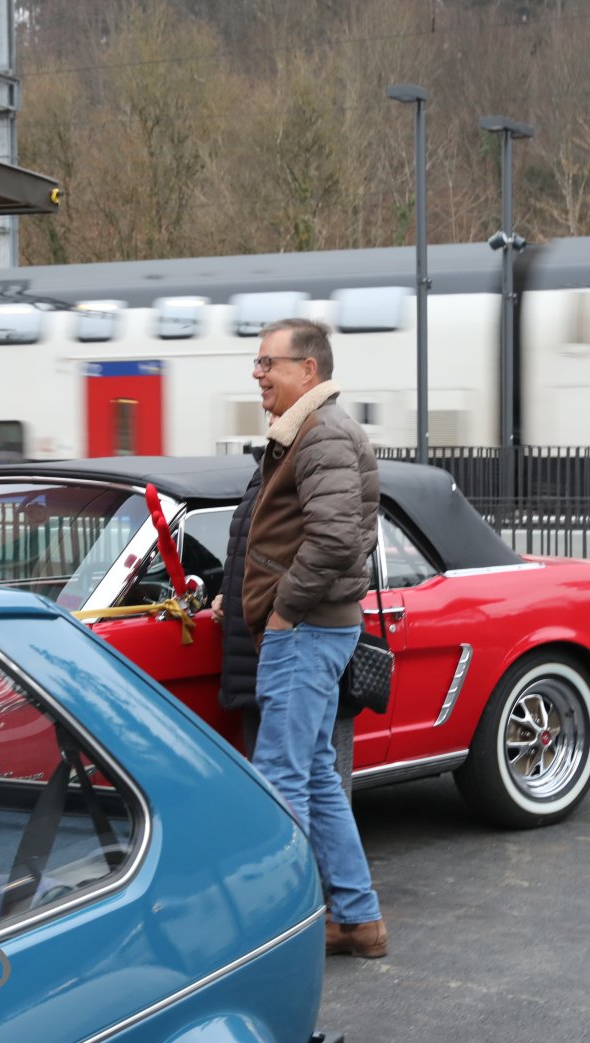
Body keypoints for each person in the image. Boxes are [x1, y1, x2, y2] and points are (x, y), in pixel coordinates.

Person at [242, 317, 386, 959]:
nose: (258, 374)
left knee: (279, 780)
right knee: (316, 775)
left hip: (303, 631)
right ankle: (357, 918)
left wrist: (283, 612)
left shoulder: (321, 432)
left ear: (308, 369)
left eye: (268, 362)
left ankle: (283, 931)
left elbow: (333, 539)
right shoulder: (313, 430)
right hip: (315, 627)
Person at [211, 457, 356, 798]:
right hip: (255, 646)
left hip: (296, 639)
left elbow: (333, 549)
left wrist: (282, 612)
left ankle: (303, 836)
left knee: (313, 781)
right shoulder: (266, 469)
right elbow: (252, 551)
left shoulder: (317, 459)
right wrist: (227, 594)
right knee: (273, 783)